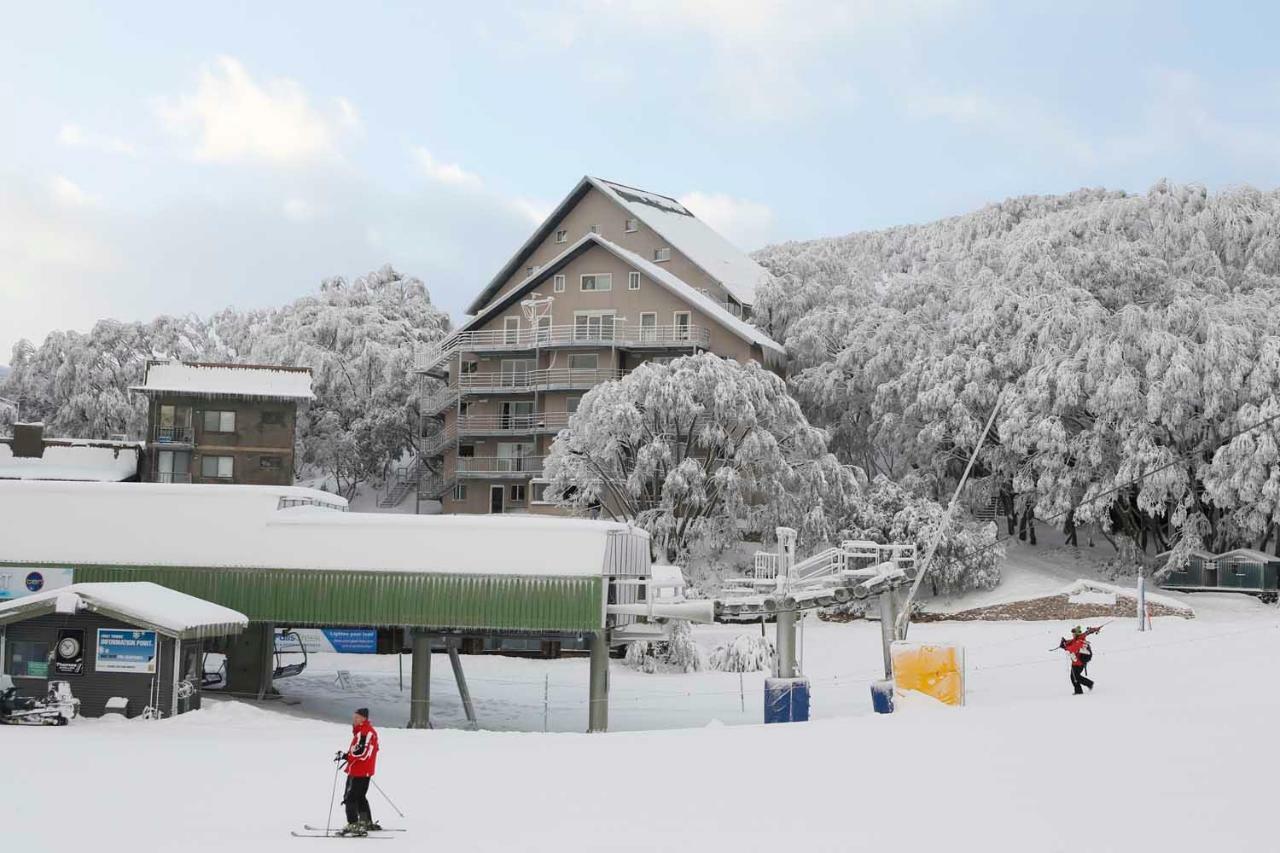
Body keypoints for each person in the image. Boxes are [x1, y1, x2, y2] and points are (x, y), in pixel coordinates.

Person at [335, 707, 380, 836]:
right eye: (353, 717)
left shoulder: (365, 732)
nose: (353, 720)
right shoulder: (362, 732)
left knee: (350, 798)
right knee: (360, 797)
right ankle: (365, 822)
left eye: (356, 718)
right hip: (361, 770)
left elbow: (362, 753)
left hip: (359, 771)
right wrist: (345, 756)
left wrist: (348, 756)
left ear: (363, 719)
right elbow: (359, 751)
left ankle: (353, 824)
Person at [1058, 625, 1101, 695]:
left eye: (1073, 633)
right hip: (1076, 661)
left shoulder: (1080, 641)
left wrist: (1065, 647)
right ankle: (1080, 690)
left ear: (1076, 634)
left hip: (1079, 662)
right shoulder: (1077, 638)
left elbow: (1073, 648)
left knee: (1075, 676)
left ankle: (1088, 684)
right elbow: (1071, 642)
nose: (1072, 635)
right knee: (1074, 676)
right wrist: (1065, 642)